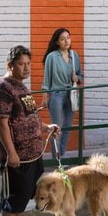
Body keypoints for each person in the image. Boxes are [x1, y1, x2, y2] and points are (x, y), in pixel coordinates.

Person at [0, 45, 59, 216]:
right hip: (16, 156)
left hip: (33, 154)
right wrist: (11, 152)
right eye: (21, 64)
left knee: (23, 196)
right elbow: (1, 123)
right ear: (10, 65)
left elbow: (31, 117)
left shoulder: (22, 87)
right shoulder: (3, 88)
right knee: (12, 198)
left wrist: (46, 128)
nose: (26, 68)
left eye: (28, 64)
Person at [41, 28, 83, 156]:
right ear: (57, 42)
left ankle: (62, 154)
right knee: (56, 127)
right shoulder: (51, 57)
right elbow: (46, 78)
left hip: (71, 94)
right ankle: (56, 158)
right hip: (56, 95)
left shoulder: (74, 55)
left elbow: (80, 75)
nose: (66, 41)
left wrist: (78, 78)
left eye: (68, 37)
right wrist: (45, 96)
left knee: (67, 127)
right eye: (63, 38)